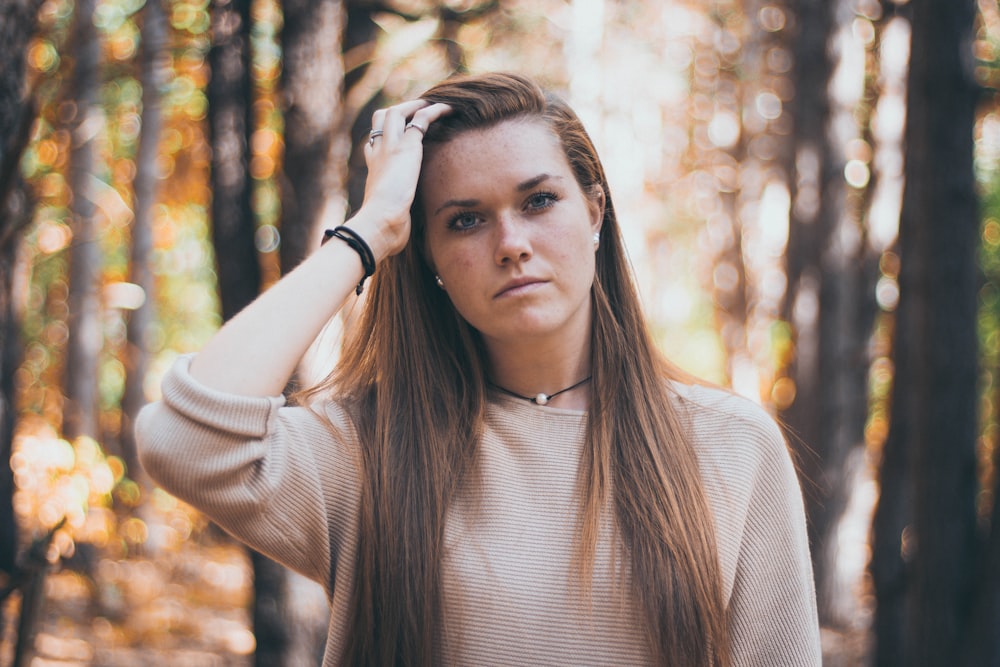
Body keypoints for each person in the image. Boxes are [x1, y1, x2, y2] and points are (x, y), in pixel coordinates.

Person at [136, 72, 821, 666]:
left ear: (594, 210)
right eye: (465, 220)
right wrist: (370, 227)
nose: (512, 244)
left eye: (538, 200)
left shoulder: (731, 446)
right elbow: (185, 438)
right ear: (427, 254)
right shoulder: (370, 450)